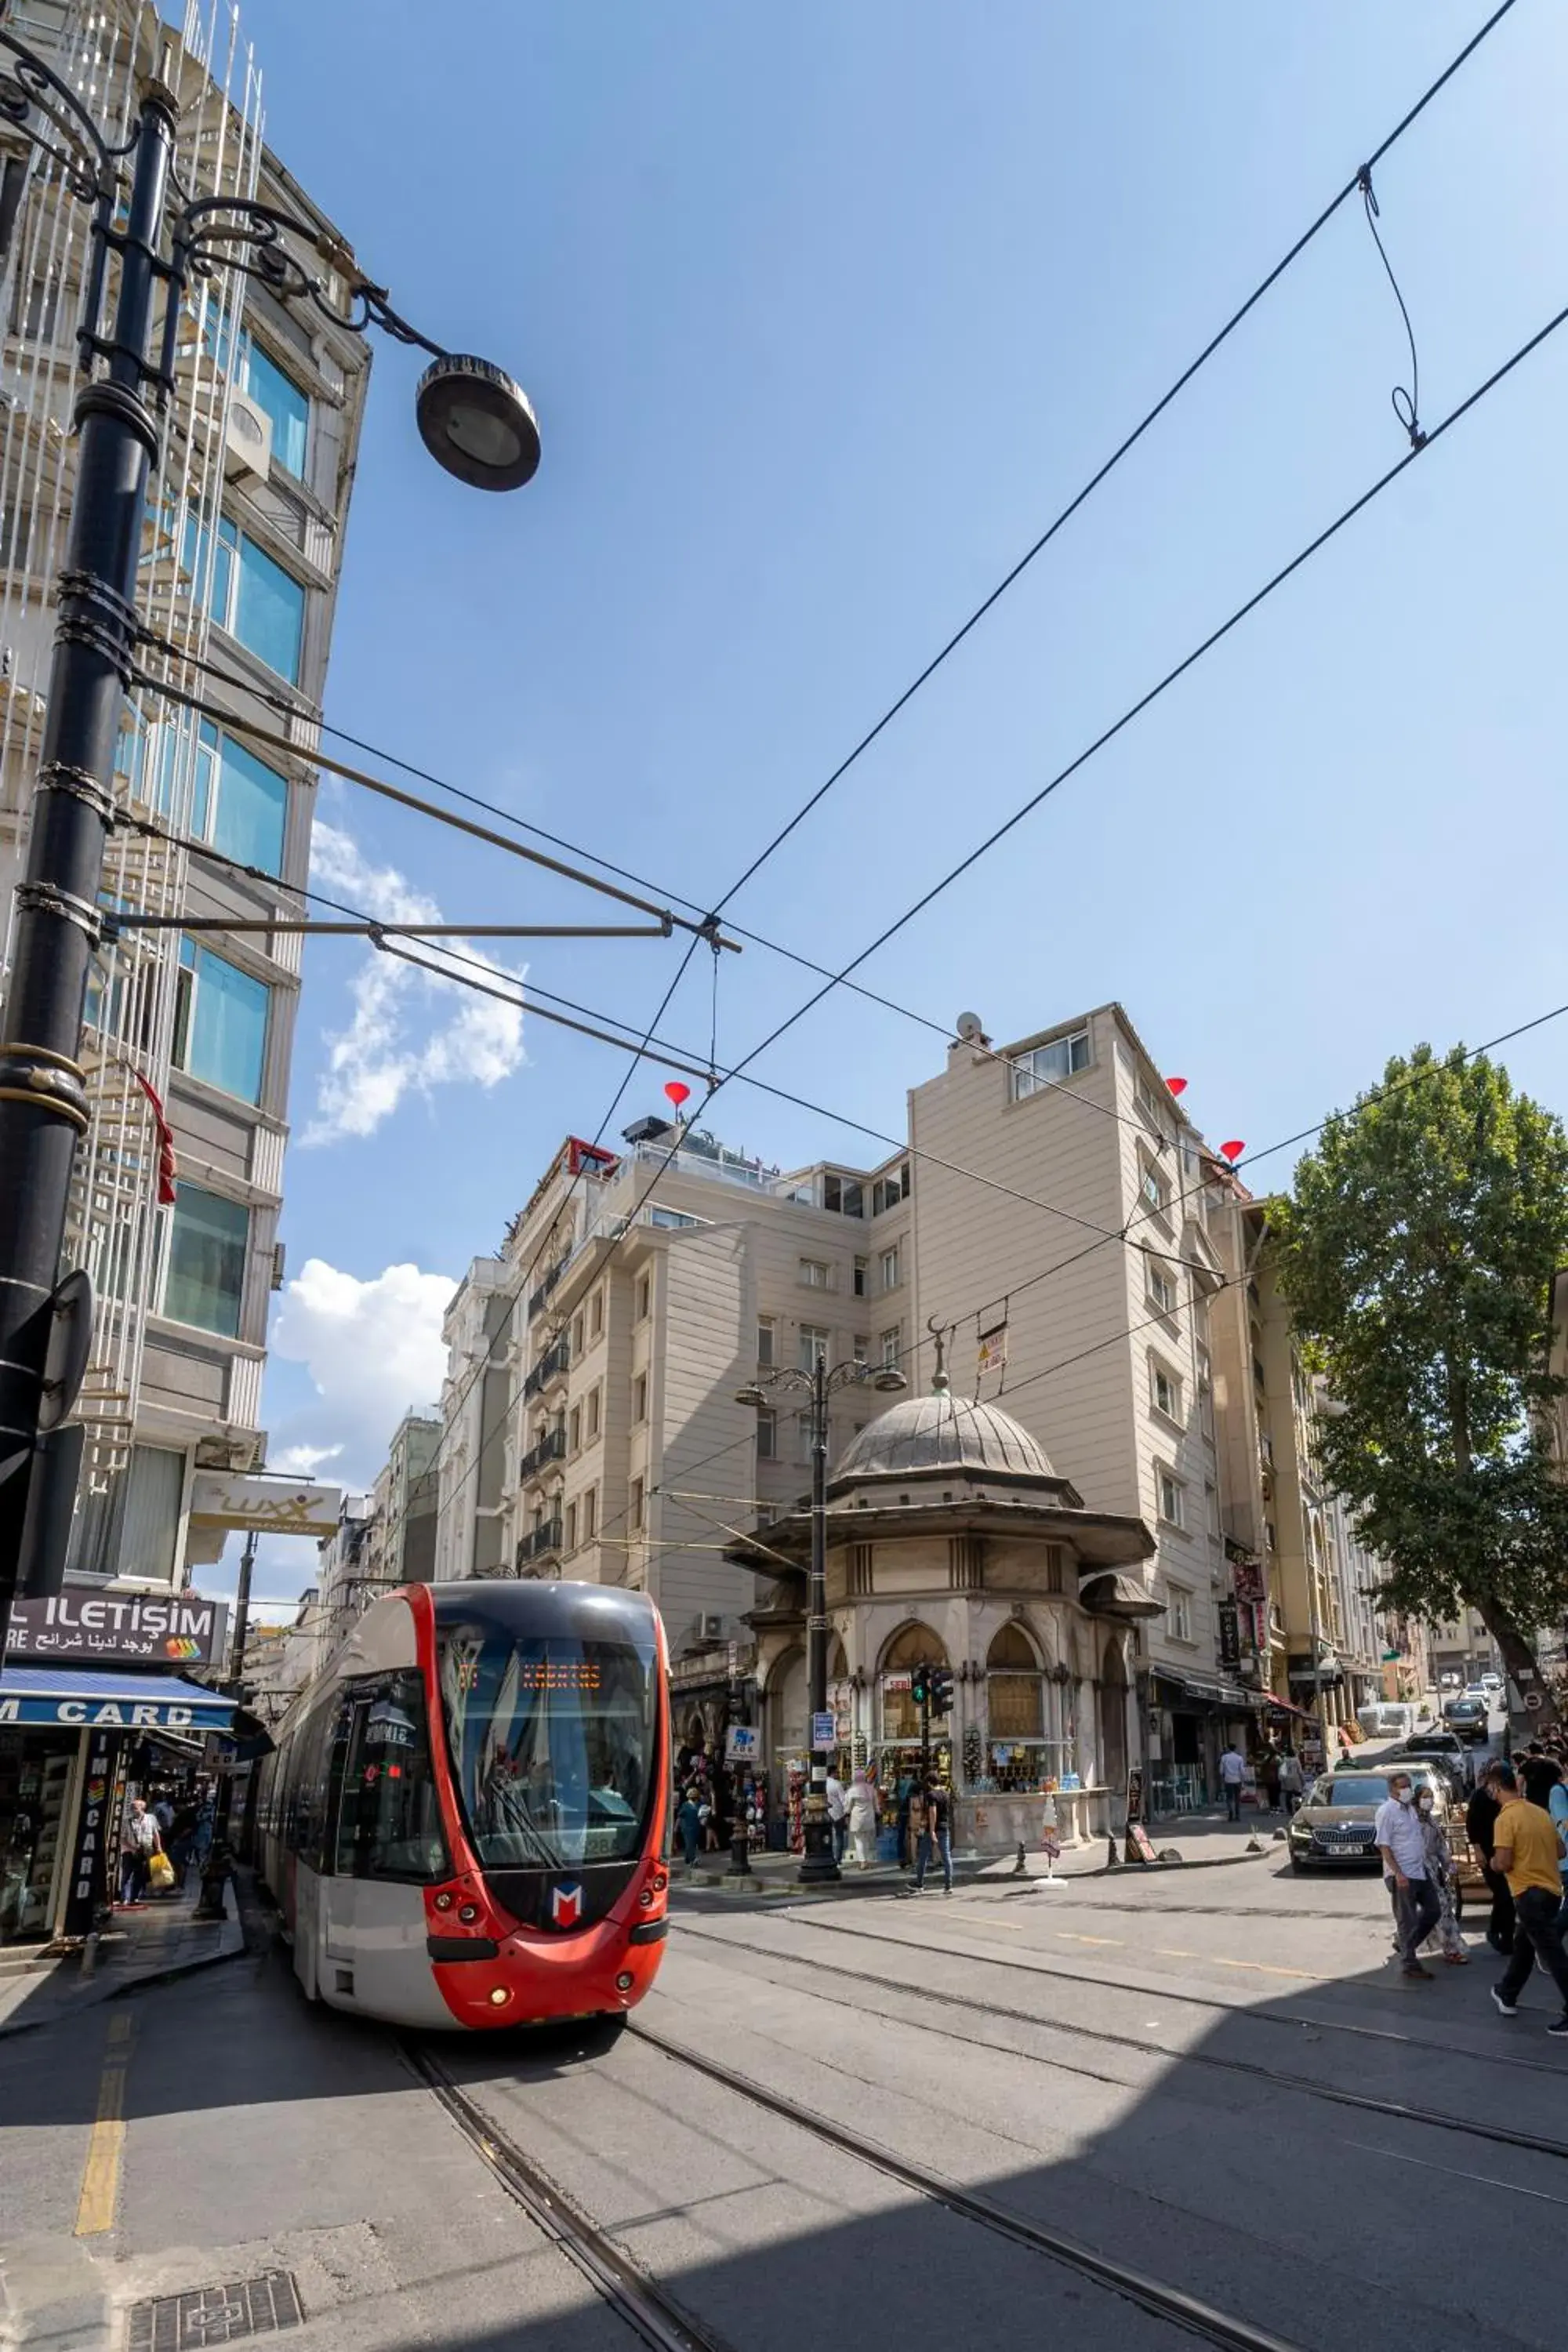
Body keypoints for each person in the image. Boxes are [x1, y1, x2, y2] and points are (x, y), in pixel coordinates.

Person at [1490, 1762, 1568, 2034]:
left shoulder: (1505, 1819)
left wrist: (1493, 1863)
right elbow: (1561, 1851)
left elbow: (1504, 1862)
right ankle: (1507, 1992)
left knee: (1553, 1954)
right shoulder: (1539, 1812)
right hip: (1552, 1892)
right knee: (1525, 1945)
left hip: (1528, 1893)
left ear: (1496, 1788)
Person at [1374, 1769, 1442, 1980]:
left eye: (1408, 1786)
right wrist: (1398, 1873)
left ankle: (1406, 1945)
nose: (1407, 1790)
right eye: (1402, 1787)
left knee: (1433, 1910)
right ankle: (1410, 1963)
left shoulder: (1410, 1809)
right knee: (1407, 1920)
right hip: (1402, 1873)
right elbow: (1384, 1846)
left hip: (1419, 1869)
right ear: (1392, 1790)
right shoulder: (1386, 1812)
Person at [1414, 1785, 1468, 1965]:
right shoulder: (1410, 1822)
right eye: (1425, 1797)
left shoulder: (1432, 1822)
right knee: (1426, 1911)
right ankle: (1406, 1942)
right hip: (1416, 1872)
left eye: (1430, 1796)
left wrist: (1449, 1867)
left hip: (1432, 1872)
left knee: (1443, 1908)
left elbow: (1441, 1847)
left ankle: (1452, 1948)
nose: (1428, 1800)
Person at [1466, 1766, 1516, 1956]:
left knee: (1509, 1896)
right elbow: (1472, 1825)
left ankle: (1507, 1938)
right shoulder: (1480, 1797)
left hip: (1507, 1851)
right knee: (1503, 1894)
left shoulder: (1508, 1799)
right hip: (1488, 1852)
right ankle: (1495, 1930)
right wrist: (1478, 1851)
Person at [118, 1796, 162, 1908]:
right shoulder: (127, 1821)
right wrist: (133, 1848)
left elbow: (155, 1834)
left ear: (142, 1808)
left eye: (135, 1807)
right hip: (129, 1851)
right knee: (127, 1874)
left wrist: (158, 1847)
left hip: (145, 1850)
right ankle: (124, 1898)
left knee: (139, 1874)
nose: (133, 1809)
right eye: (132, 1807)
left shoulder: (151, 1819)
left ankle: (134, 1898)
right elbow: (122, 1838)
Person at [915, 1776, 953, 1894]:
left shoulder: (931, 1795)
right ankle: (948, 1885)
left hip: (933, 1829)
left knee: (923, 1856)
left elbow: (933, 1811)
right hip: (944, 1827)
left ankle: (919, 1884)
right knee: (946, 1856)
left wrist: (931, 1831)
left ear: (930, 1783)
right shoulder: (946, 1794)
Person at [847, 1770, 877, 1870]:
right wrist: (878, 1812)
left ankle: (862, 1861)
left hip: (857, 1817)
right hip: (869, 1816)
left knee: (859, 1839)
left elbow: (848, 1806)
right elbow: (876, 1804)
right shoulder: (871, 1789)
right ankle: (866, 1860)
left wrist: (847, 1812)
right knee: (867, 1839)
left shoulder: (852, 1790)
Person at [826, 1769, 849, 1867]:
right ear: (833, 1773)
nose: (839, 1774)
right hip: (838, 1813)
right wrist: (847, 1811)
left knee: (828, 1836)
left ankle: (829, 1856)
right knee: (839, 1836)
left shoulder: (824, 1783)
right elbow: (843, 1799)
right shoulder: (837, 1784)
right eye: (837, 1773)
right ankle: (838, 1859)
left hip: (827, 1813)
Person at [1218, 1743, 1247, 1823]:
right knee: (1237, 1798)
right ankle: (1237, 1815)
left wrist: (1224, 1775)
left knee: (1229, 1798)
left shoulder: (1224, 1758)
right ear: (1235, 1749)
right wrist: (1243, 1779)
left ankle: (1230, 1813)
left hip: (1228, 1780)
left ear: (1228, 1749)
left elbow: (1221, 1771)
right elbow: (1242, 1771)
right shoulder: (1239, 1758)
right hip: (1237, 1780)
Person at [675, 1787, 702, 1868]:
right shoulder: (685, 1805)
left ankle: (687, 1859)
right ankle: (692, 1860)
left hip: (696, 1827)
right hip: (687, 1828)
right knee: (689, 1844)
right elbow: (679, 1817)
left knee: (692, 1844)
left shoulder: (699, 1804)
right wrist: (676, 1827)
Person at [1277, 1750, 1304, 1817]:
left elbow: (1281, 1771)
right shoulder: (1296, 1760)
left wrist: (1282, 1780)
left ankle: (1290, 1810)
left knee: (1288, 1795)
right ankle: (1298, 1809)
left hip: (1287, 1779)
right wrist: (1303, 1781)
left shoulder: (1284, 1760)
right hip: (1296, 1779)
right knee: (1298, 1794)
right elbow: (1300, 1771)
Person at [1258, 1748, 1282, 1815]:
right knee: (1276, 1793)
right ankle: (1277, 1806)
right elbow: (1281, 1766)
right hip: (1276, 1778)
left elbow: (1262, 1767)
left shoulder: (1266, 1759)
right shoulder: (1277, 1759)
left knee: (1271, 1793)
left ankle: (1272, 1807)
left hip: (1268, 1779)